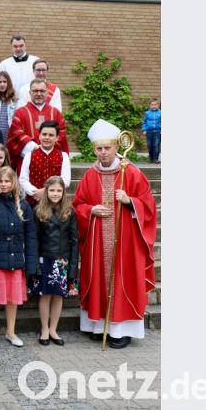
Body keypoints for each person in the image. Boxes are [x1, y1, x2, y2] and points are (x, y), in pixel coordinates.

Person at [72, 119, 157, 349]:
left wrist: (130, 201)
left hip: (126, 241)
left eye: (106, 148)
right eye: (98, 149)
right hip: (97, 241)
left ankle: (121, 330)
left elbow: (148, 206)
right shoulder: (90, 175)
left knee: (123, 279)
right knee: (98, 277)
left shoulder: (132, 173)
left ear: (116, 147)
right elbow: (78, 205)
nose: (102, 153)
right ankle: (98, 326)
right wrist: (91, 210)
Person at [0, 166, 38, 347]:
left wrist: (31, 263)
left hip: (16, 257)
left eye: (7, 181)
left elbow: (30, 236)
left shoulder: (23, 204)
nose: (4, 184)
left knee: (13, 299)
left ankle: (11, 331)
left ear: (14, 183)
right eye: (1, 181)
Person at [31, 176, 78, 346]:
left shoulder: (69, 212)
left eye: (59, 190)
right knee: (45, 296)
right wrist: (34, 263)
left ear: (64, 192)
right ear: (46, 191)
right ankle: (44, 329)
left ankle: (53, 329)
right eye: (52, 190)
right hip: (45, 259)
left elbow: (74, 241)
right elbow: (34, 239)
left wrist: (73, 268)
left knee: (58, 296)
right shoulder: (39, 211)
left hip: (62, 261)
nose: (55, 194)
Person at [6, 78, 69, 172]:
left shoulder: (56, 113)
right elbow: (16, 134)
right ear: (30, 93)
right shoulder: (20, 113)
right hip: (27, 162)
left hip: (52, 161)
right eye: (35, 91)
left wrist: (46, 148)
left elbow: (61, 134)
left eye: (42, 91)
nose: (39, 94)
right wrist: (34, 148)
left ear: (47, 93)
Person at [19, 120, 71, 208]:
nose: (47, 137)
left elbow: (65, 180)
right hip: (34, 202)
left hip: (56, 203)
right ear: (39, 136)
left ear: (57, 138)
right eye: (44, 134)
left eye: (51, 135)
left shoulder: (63, 156)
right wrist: (36, 193)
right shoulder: (29, 155)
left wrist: (46, 191)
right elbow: (23, 179)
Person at [0, 71, 19, 142]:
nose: (2, 84)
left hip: (9, 132)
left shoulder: (15, 99)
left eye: (4, 82)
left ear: (8, 83)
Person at [142, 98, 161, 163]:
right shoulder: (147, 113)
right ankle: (151, 158)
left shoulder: (160, 113)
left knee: (156, 145)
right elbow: (144, 122)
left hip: (158, 131)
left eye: (155, 104)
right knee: (149, 145)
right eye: (152, 105)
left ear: (158, 105)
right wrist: (144, 129)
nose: (154, 106)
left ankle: (156, 159)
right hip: (149, 132)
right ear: (150, 106)